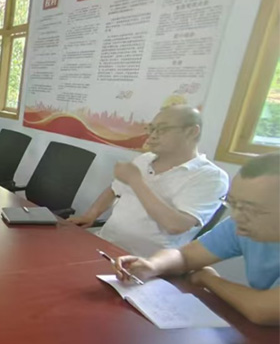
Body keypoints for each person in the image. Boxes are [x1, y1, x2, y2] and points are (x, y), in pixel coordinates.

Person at [114, 153, 280, 326]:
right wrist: (153, 265)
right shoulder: (239, 226)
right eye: (233, 203)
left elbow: (262, 310)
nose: (236, 216)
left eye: (252, 209)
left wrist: (209, 279)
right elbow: (184, 256)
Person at [68, 105, 228, 257]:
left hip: (145, 262)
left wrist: (136, 181)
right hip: (104, 244)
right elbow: (114, 189)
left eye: (162, 129)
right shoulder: (145, 159)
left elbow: (175, 225)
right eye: (151, 129)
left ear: (192, 132)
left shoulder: (210, 177)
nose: (153, 136)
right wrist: (91, 215)